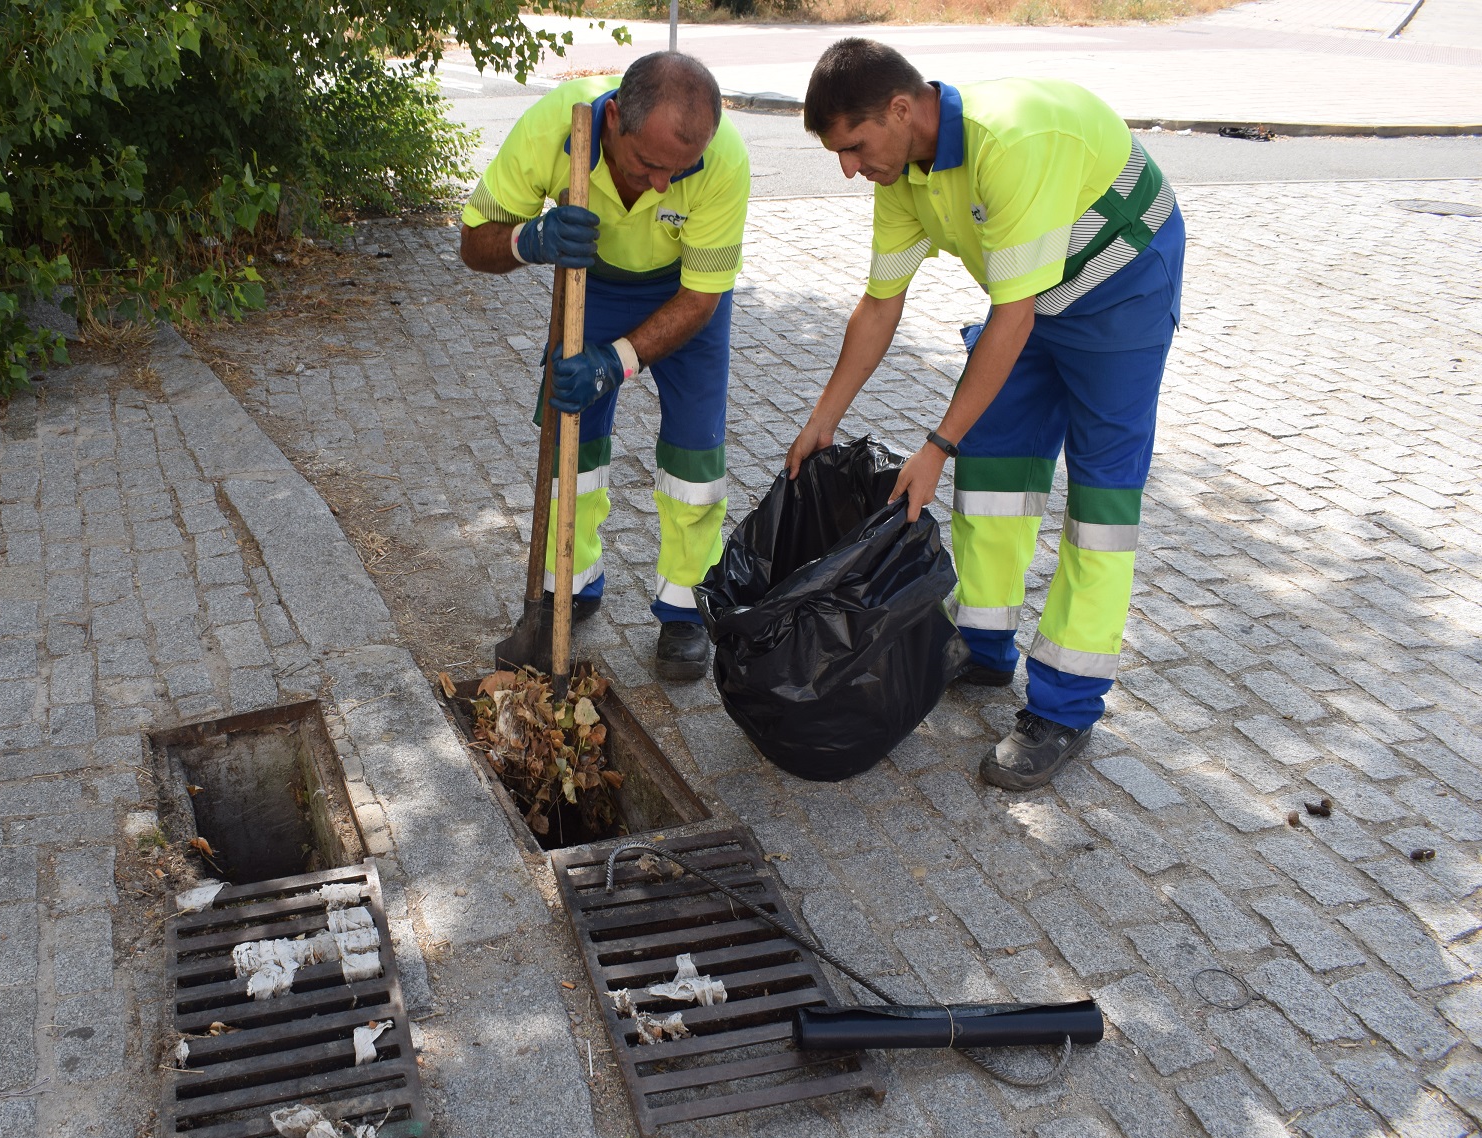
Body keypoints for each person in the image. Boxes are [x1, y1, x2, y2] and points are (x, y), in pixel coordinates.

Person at [785, 39, 1184, 790]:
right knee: (995, 466)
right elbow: (880, 304)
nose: (848, 166)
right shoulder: (902, 173)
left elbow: (1012, 317)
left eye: (855, 145)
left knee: (1100, 501)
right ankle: (984, 643)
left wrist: (935, 444)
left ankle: (1064, 708)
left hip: (1121, 281)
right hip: (1029, 298)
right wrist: (823, 417)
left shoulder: (1012, 145)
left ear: (902, 110)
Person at [459, 51, 750, 681]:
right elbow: (473, 240)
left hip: (684, 295)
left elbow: (702, 297)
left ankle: (684, 610)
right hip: (588, 283)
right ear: (614, 117)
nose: (664, 185)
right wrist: (526, 240)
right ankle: (568, 585)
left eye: (681, 170)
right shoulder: (554, 130)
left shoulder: (723, 158)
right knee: (571, 439)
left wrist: (615, 362)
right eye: (649, 164)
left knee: (695, 457)